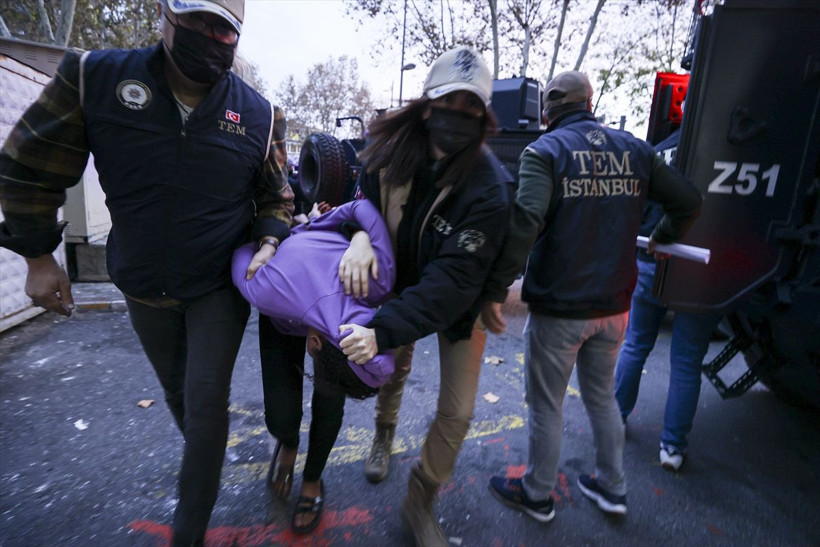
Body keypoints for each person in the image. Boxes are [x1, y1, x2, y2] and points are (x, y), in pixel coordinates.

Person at [0, 1, 294, 544]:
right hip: (140, 282)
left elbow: (276, 194)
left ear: (237, 35)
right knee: (180, 397)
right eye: (196, 18)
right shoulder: (93, 77)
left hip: (216, 286)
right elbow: (27, 167)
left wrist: (270, 238)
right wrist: (38, 257)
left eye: (223, 29)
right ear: (165, 13)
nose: (208, 34)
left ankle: (189, 528)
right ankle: (203, 454)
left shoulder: (260, 113)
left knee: (205, 402)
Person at [484, 71, 702, 521]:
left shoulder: (544, 151)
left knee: (546, 404)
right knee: (601, 398)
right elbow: (688, 200)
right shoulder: (636, 150)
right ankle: (612, 487)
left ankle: (537, 494)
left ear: (548, 112)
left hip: (560, 308)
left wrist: (495, 287)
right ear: (590, 102)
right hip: (615, 306)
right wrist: (663, 236)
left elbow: (526, 222)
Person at [337, 46, 514, 546]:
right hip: (397, 284)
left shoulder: (489, 187)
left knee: (458, 410)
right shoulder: (386, 155)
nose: (458, 114)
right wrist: (359, 236)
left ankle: (421, 498)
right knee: (393, 370)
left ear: (483, 115)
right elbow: (359, 206)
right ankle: (383, 433)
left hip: (458, 301)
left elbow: (452, 284)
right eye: (449, 101)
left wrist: (380, 330)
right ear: (426, 105)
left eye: (471, 105)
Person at [230, 198, 396, 534]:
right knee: (280, 413)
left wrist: (359, 235)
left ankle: (312, 479)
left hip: (297, 296)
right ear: (315, 345)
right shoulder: (268, 291)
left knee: (329, 405)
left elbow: (362, 210)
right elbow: (243, 256)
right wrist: (274, 244)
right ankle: (288, 443)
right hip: (283, 310)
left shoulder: (382, 278)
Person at [614, 127, 722, 472]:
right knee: (687, 362)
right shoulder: (723, 154)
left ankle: (616, 419)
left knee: (635, 345)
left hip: (650, 261)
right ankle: (672, 447)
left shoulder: (656, 151)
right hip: (700, 271)